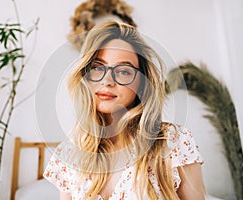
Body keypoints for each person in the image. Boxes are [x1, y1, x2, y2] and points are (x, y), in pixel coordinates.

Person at [44, 20, 205, 200]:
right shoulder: (69, 153)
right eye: (97, 67)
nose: (107, 81)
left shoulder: (174, 142)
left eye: (124, 71)